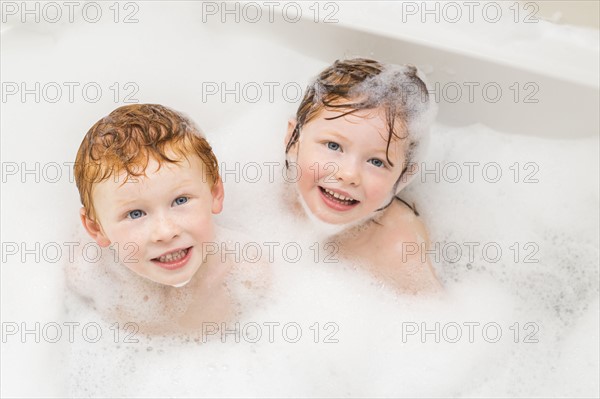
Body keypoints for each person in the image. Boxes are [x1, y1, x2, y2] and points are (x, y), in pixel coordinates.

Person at [68, 104, 263, 334]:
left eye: (180, 201)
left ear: (214, 194)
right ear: (96, 228)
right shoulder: (91, 276)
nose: (165, 232)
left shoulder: (245, 272)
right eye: (135, 214)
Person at [284, 58, 442, 294]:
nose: (349, 175)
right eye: (334, 146)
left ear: (404, 178)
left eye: (376, 162)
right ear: (293, 139)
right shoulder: (267, 194)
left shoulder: (399, 250)